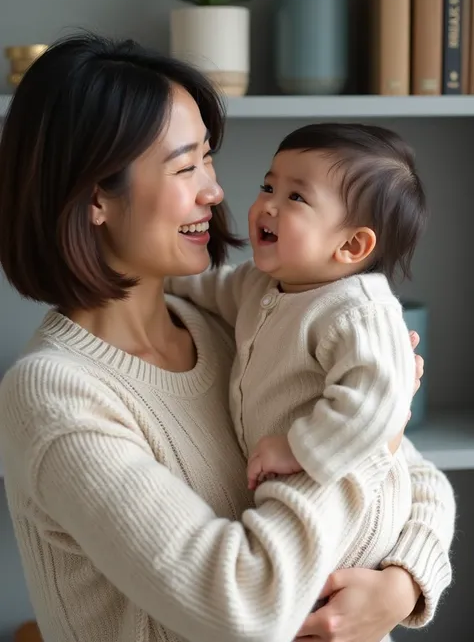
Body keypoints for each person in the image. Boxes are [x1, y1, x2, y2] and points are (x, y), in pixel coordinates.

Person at [0, 34, 454, 642]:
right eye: (185, 166)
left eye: (207, 158)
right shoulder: (54, 397)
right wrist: (376, 430)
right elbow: (244, 606)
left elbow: (421, 481)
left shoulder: (236, 324)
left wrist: (401, 585)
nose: (214, 191)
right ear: (94, 198)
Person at [164, 122, 425, 576]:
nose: (268, 205)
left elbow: (378, 403)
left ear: (352, 244)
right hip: (296, 508)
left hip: (358, 510)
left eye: (296, 198)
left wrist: (297, 449)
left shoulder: (359, 310)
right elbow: (210, 287)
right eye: (269, 186)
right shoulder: (261, 283)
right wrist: (158, 278)